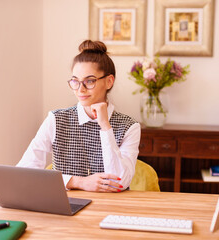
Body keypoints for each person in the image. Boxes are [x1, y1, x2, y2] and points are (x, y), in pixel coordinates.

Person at [17, 40, 141, 192]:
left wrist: (105, 127)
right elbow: (24, 171)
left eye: (89, 81)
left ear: (109, 81)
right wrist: (78, 182)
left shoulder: (129, 126)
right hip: (64, 207)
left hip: (110, 208)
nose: (80, 89)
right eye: (75, 81)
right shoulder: (56, 119)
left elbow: (119, 182)